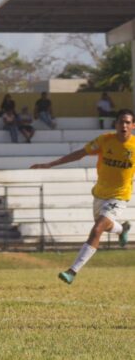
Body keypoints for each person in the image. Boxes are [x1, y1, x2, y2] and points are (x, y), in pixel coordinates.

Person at [30, 109, 133, 285]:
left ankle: (72, 271)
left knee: (97, 228)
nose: (123, 125)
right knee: (104, 226)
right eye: (120, 122)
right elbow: (80, 153)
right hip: (100, 194)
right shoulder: (104, 140)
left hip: (119, 196)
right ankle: (121, 229)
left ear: (132, 125)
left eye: (127, 122)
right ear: (115, 124)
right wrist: (51, 164)